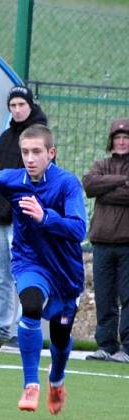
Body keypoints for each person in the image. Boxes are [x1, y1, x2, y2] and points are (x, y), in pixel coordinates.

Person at [0, 125, 86, 414]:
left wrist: (45, 217)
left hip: (65, 271)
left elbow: (79, 229)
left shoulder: (67, 184)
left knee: (60, 337)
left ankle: (56, 380)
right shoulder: (11, 179)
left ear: (51, 153)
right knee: (30, 305)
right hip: (28, 261)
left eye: (36, 152)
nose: (30, 158)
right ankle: (30, 384)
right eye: (25, 152)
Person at [0, 85, 48, 342]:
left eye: (21, 105)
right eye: (13, 106)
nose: (17, 110)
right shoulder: (6, 136)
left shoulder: (40, 136)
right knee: (0, 276)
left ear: (30, 105)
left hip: (24, 218)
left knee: (25, 274)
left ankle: (26, 328)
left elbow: (42, 178)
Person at [82, 118, 129, 363]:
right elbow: (89, 185)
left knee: (128, 296)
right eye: (118, 137)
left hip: (126, 244)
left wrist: (105, 189)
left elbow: (98, 188)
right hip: (101, 243)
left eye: (126, 137)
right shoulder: (101, 164)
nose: (121, 141)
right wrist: (121, 182)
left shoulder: (104, 170)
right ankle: (106, 345)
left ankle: (128, 348)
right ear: (111, 141)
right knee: (104, 296)